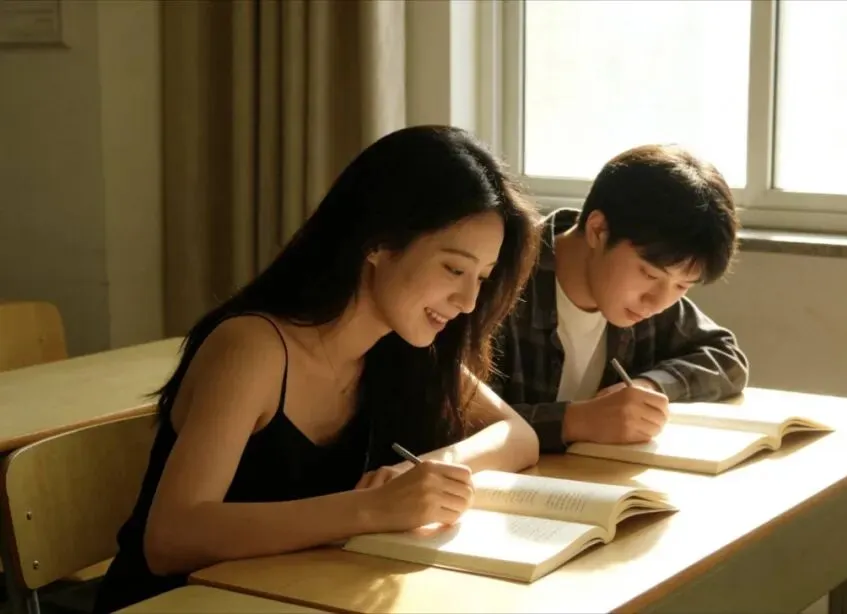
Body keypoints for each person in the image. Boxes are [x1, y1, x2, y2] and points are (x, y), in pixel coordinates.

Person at [93, 125, 542, 613]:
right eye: (454, 269)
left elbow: (516, 435)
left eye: (482, 277)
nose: (469, 301)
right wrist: (370, 509)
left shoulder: (403, 343)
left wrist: (422, 476)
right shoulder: (253, 348)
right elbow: (170, 540)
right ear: (378, 242)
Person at [490, 144, 749, 453]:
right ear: (598, 230)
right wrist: (576, 421)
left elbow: (726, 357)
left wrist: (649, 386)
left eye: (683, 286)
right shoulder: (494, 282)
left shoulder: (648, 298)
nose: (658, 303)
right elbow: (458, 418)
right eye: (649, 274)